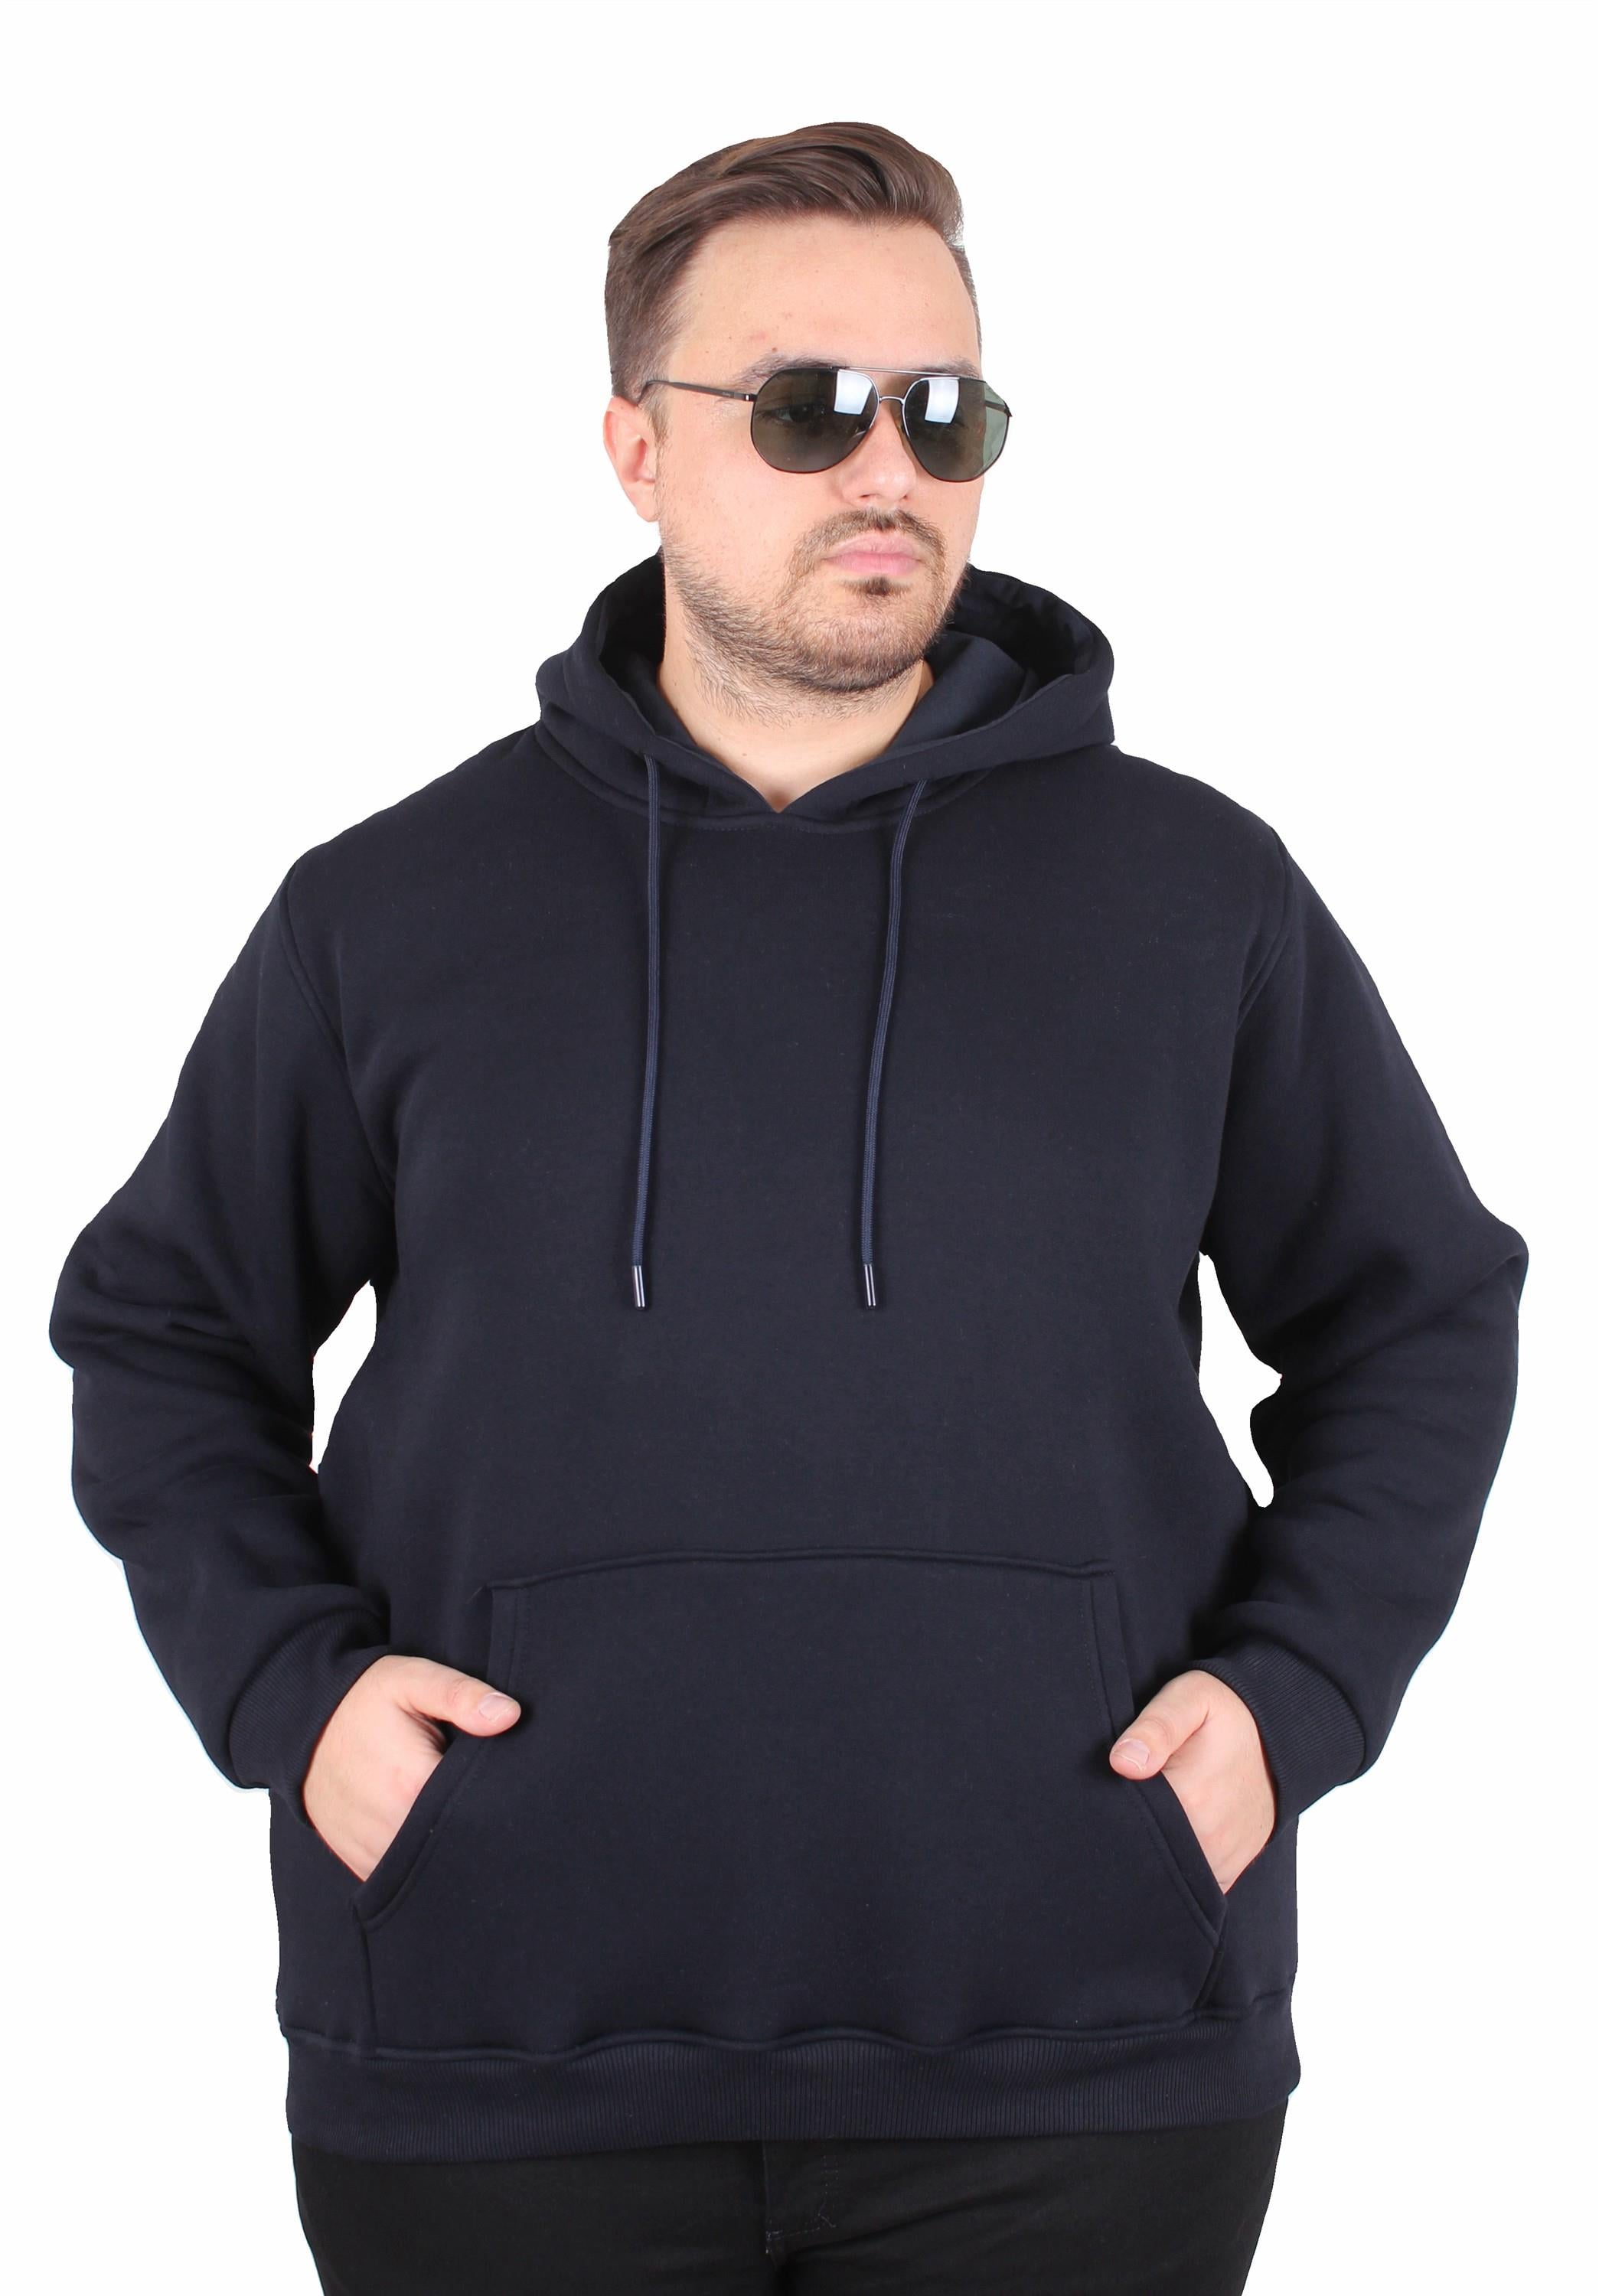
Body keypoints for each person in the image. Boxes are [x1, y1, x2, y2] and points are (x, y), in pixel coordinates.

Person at [48, 120, 1527, 2294]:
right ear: (637, 448)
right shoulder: (391, 910)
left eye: (946, 411)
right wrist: (295, 1697)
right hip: (490, 2044)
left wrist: (1291, 1699)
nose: (890, 469)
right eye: (813, 407)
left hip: (1084, 2052)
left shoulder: (1192, 894)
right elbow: (167, 1327)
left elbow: (1414, 1313)